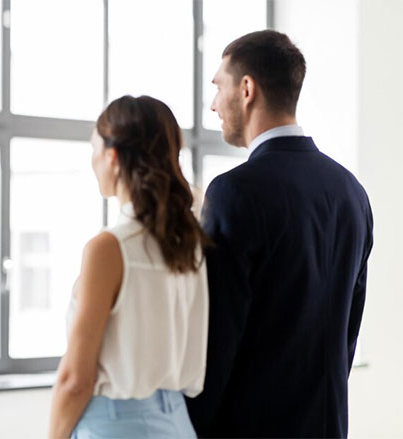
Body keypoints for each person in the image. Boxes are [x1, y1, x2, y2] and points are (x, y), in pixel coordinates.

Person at [185, 30, 373, 438]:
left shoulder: (234, 191)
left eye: (219, 87)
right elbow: (347, 335)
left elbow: (216, 339)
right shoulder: (351, 192)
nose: (214, 104)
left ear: (247, 89)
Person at [49, 95, 210, 438]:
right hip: (178, 424)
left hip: (115, 425)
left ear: (113, 156)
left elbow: (76, 380)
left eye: (94, 148)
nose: (92, 160)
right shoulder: (189, 243)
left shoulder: (108, 248)